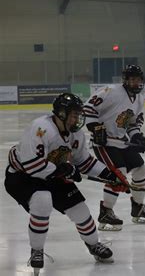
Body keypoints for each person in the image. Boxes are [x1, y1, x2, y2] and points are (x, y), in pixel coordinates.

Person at [4, 93, 124, 273]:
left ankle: (93, 245)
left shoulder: (76, 136)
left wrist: (109, 174)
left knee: (81, 210)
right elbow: (32, 166)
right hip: (23, 177)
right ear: (61, 114)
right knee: (42, 201)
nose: (78, 119)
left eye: (78, 114)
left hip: (53, 175)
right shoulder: (41, 129)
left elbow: (84, 162)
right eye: (74, 114)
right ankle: (37, 250)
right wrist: (66, 170)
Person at [83, 64, 145, 231]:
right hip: (104, 143)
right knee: (119, 173)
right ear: (125, 81)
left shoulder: (139, 99)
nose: (136, 83)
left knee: (141, 170)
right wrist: (95, 128)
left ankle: (138, 208)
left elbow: (133, 123)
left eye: (138, 80)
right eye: (132, 80)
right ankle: (106, 212)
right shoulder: (111, 92)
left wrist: (136, 136)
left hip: (122, 141)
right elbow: (88, 108)